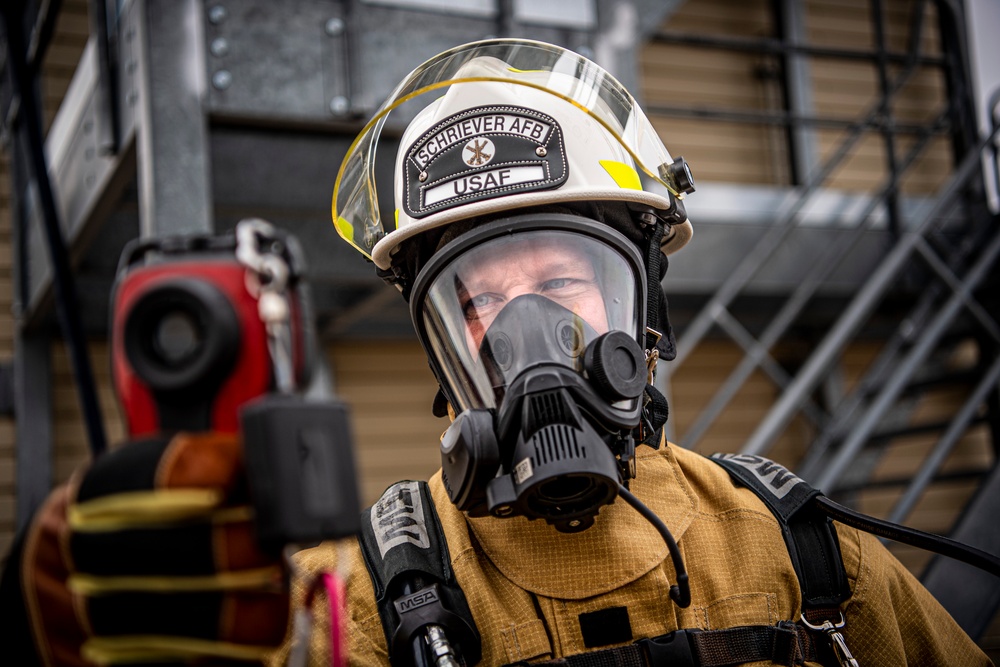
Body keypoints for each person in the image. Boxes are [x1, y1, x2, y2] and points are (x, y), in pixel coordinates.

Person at [2, 38, 993, 667]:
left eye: (563, 287)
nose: (529, 340)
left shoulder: (801, 552)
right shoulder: (363, 601)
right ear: (440, 348)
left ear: (642, 314)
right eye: (480, 302)